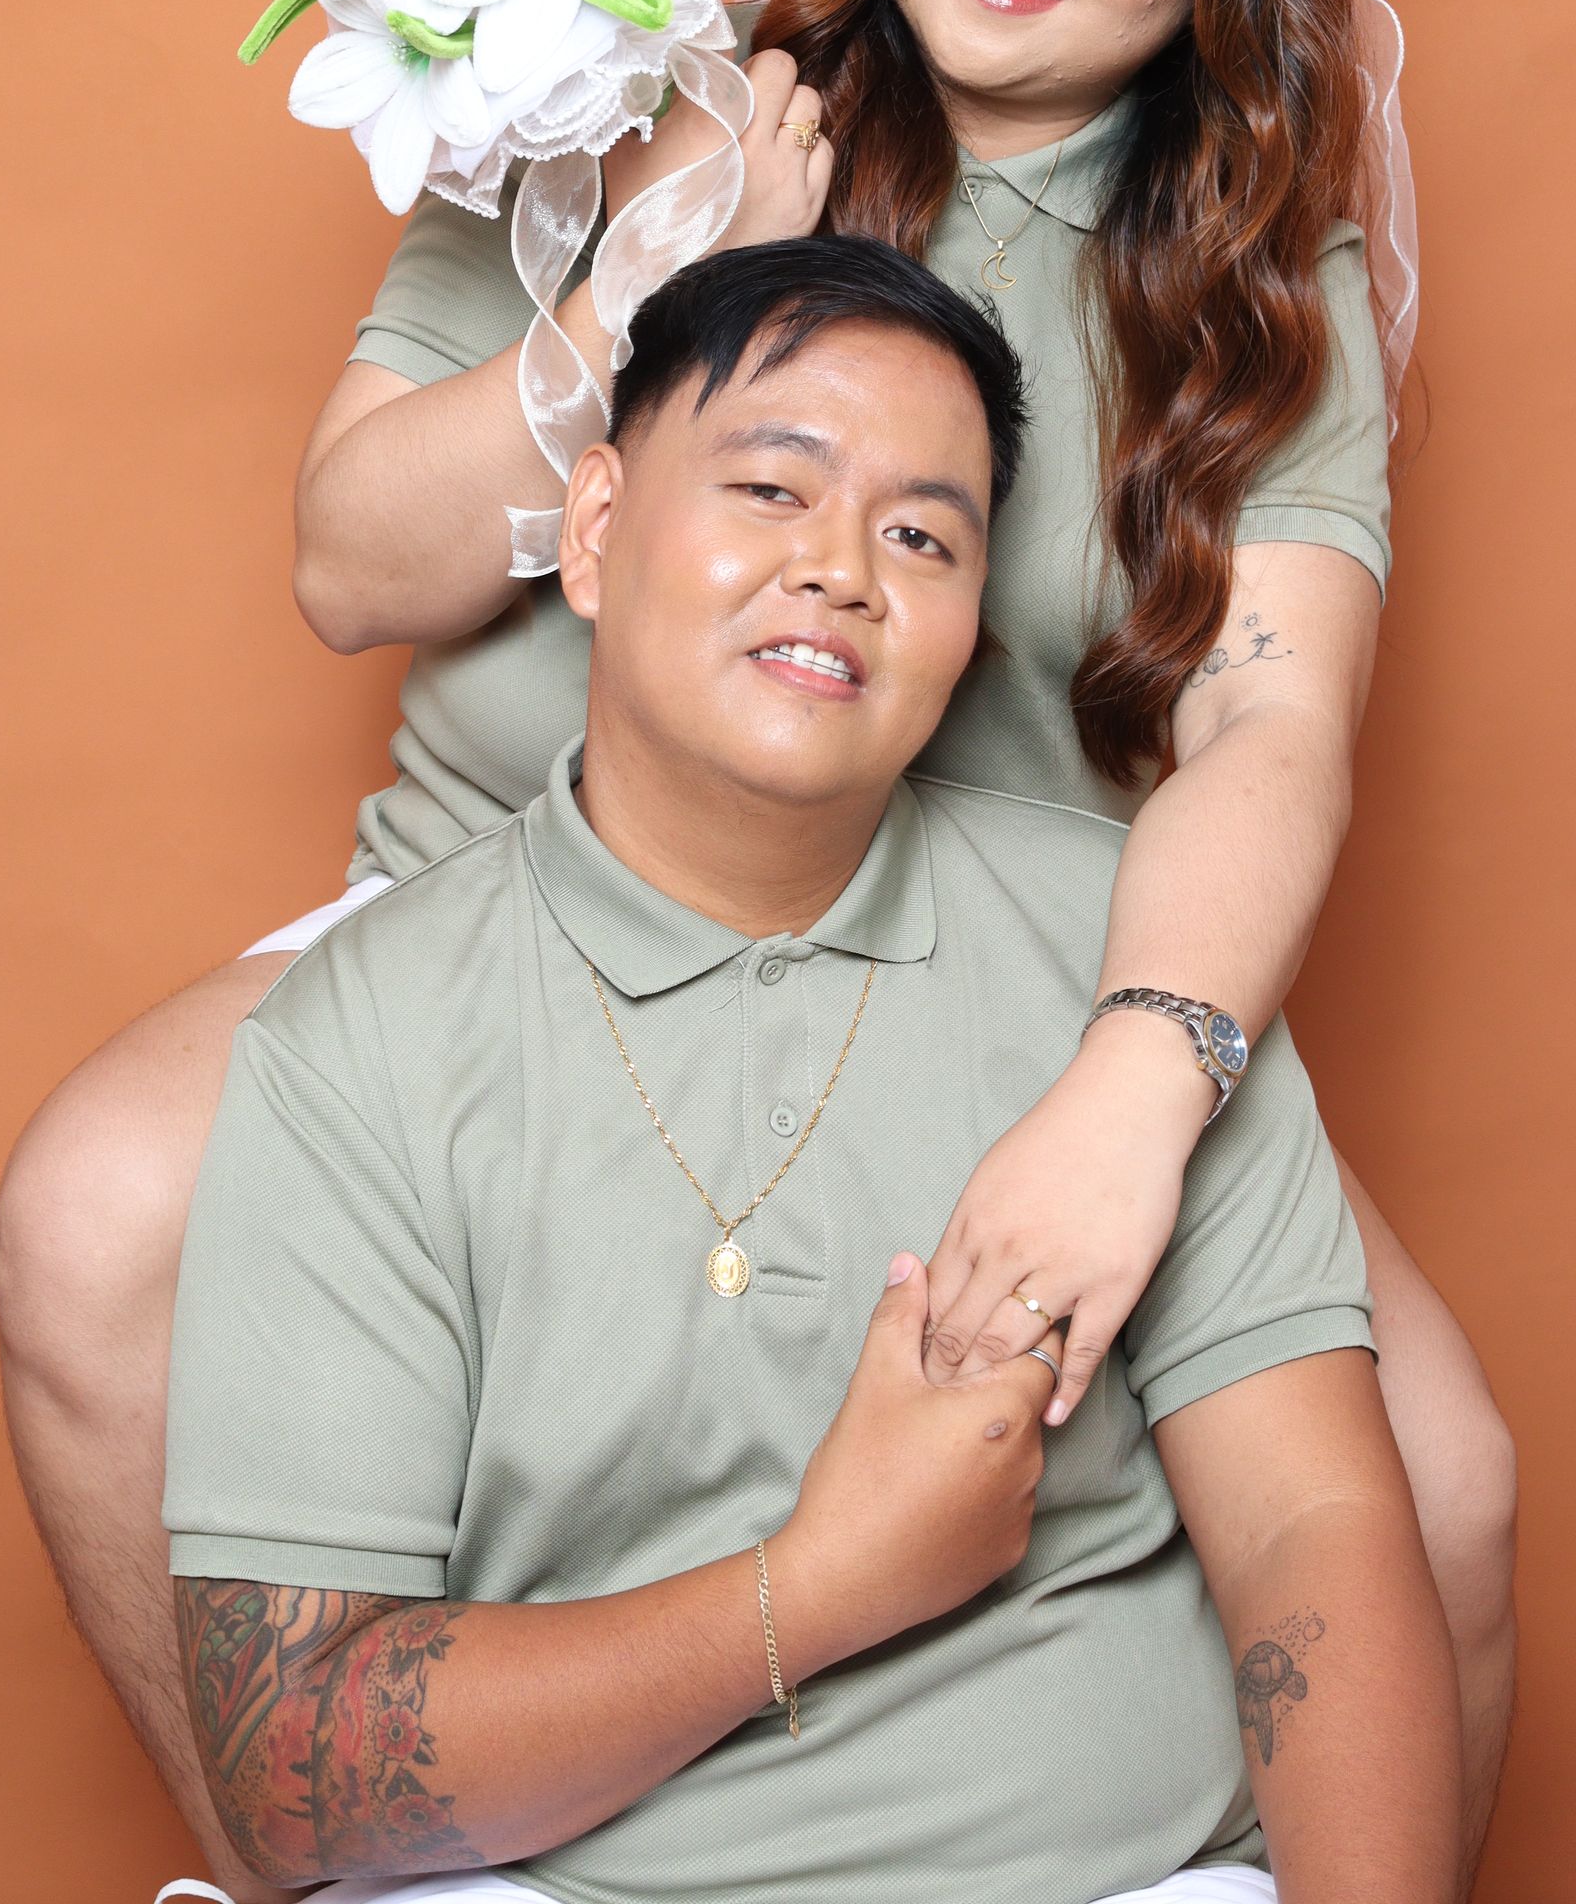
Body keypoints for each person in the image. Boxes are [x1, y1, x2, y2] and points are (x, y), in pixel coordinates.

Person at [0, 0, 1511, 1901]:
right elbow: (349, 566)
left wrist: (1136, 1078)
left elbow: (1275, 732)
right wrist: (626, 284)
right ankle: (336, 1873)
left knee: (1452, 1486)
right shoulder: (633, 81)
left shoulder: (1247, 277)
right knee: (94, 1213)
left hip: (992, 968)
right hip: (529, 890)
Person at [163, 236, 1461, 1904]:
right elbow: (292, 1770)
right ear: (595, 530)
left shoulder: (1138, 970)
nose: (842, 570)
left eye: (922, 536)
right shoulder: (355, 1043)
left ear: (971, 627)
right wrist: (824, 1584)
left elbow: (1308, 1540)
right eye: (773, 491)